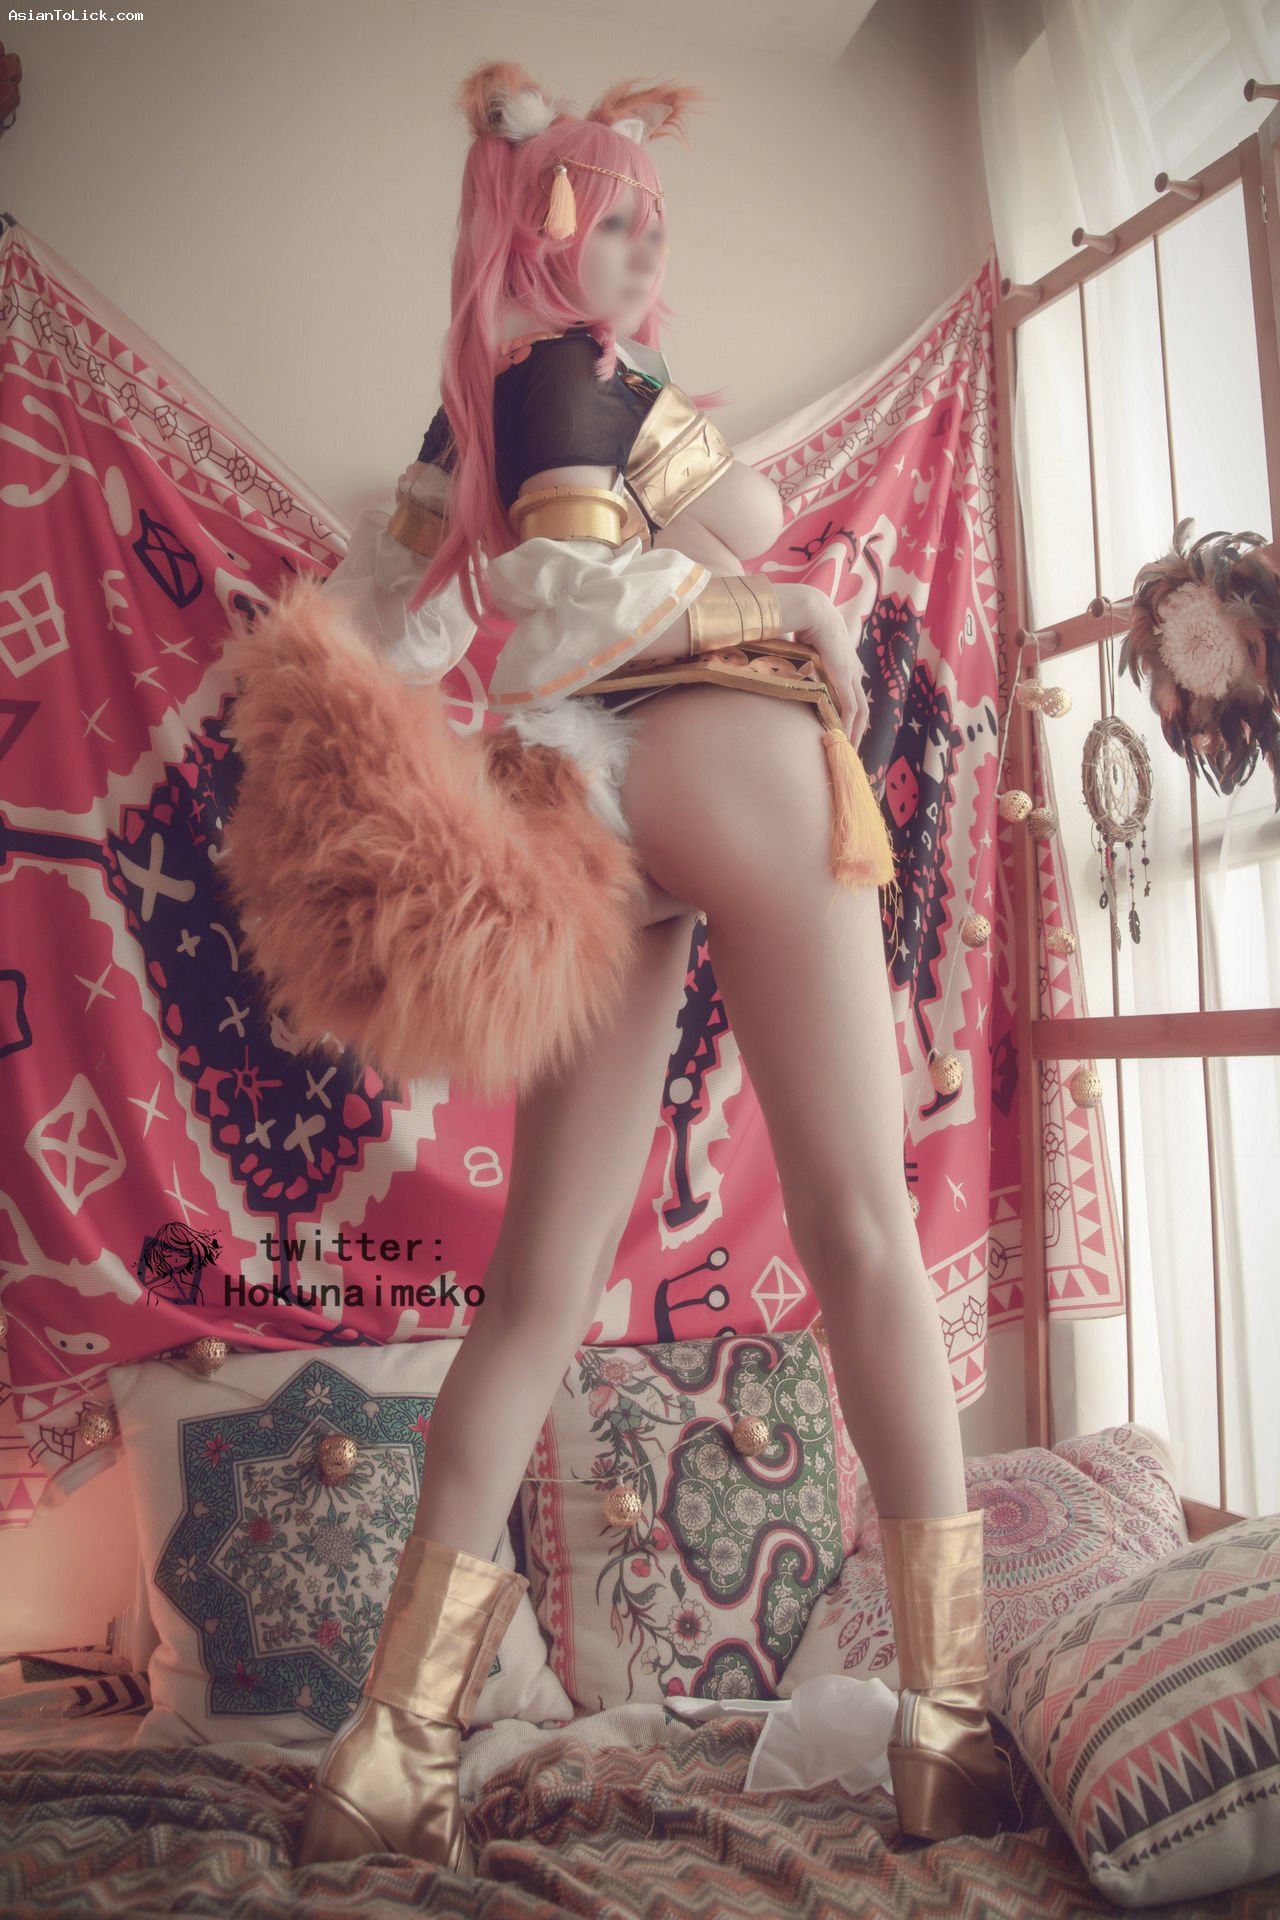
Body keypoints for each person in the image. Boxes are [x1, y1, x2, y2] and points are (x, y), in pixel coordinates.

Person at [292, 62, 1019, 1874]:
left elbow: (387, 625)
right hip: (720, 740)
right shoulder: (611, 382)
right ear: (550, 239)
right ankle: (945, 1726)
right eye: (618, 223)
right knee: (860, 1230)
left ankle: (391, 1749)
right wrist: (803, 596)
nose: (644, 252)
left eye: (652, 227)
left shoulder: (469, 417)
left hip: (576, 786)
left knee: (535, 1293)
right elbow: (754, 525)